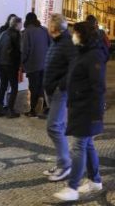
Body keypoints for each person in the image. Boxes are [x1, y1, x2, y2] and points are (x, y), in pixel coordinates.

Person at [52, 22, 106, 202]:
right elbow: (74, 75)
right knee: (87, 144)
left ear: (83, 35)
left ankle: (72, 187)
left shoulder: (94, 55)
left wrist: (95, 109)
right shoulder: (82, 52)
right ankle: (95, 180)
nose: (72, 36)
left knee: (78, 146)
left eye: (75, 33)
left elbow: (98, 85)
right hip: (78, 105)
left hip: (87, 107)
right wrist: (63, 85)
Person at [42, 13, 78, 183]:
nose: (47, 26)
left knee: (54, 126)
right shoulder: (58, 42)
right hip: (51, 90)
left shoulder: (67, 43)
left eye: (49, 24)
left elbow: (74, 67)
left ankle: (65, 165)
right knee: (59, 126)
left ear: (53, 27)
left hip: (59, 92)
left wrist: (60, 86)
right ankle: (63, 162)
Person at [21, 12, 51, 117]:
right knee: (42, 86)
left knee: (33, 87)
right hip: (44, 64)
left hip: (33, 65)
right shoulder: (44, 30)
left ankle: (33, 110)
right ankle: (45, 107)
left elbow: (25, 50)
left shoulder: (27, 32)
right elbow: (50, 45)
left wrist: (22, 62)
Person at [0, 15, 22, 118]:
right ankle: (10, 110)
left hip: (1, 63)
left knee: (3, 85)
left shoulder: (3, 33)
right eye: (21, 23)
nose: (22, 25)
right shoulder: (16, 34)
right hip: (11, 64)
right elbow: (18, 50)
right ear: (17, 24)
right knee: (14, 87)